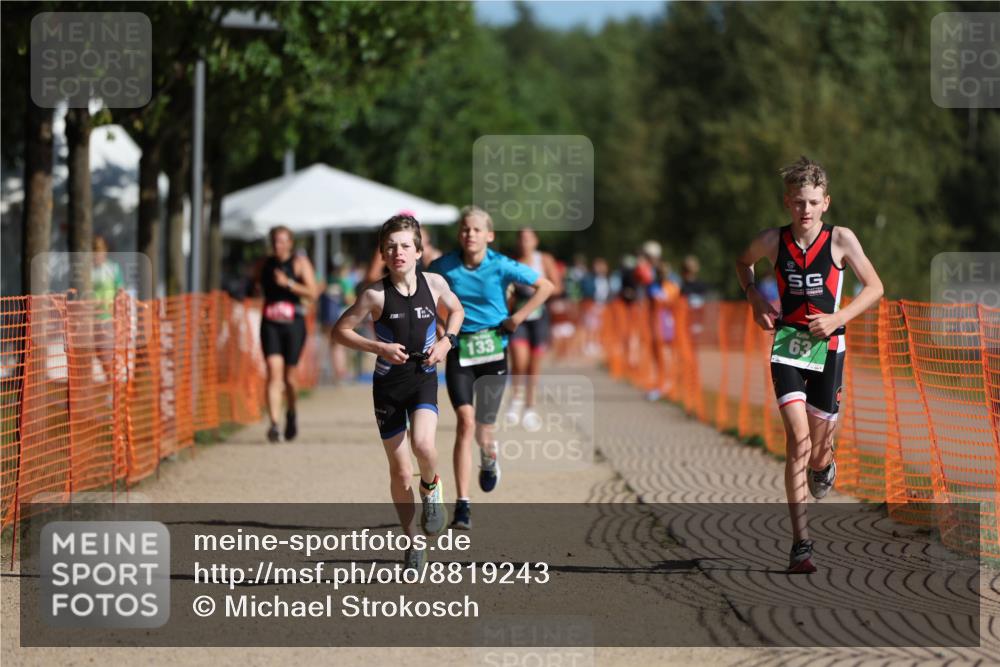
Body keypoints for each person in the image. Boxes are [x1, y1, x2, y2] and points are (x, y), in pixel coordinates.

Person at [735, 156, 883, 573]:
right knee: (797, 440)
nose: (805, 210)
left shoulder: (841, 240)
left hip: (829, 349)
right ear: (788, 202)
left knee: (818, 450)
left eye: (813, 202)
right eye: (798, 202)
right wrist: (754, 297)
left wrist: (838, 318)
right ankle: (801, 544)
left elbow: (876, 287)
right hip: (787, 345)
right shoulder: (771, 241)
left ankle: (824, 464)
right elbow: (741, 262)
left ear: (826, 204)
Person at [333, 215, 464, 570]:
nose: (398, 252)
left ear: (419, 251)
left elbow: (457, 310)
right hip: (388, 385)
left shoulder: (434, 283)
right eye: (390, 247)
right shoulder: (374, 295)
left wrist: (447, 342)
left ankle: (432, 486)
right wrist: (379, 349)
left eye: (405, 245)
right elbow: (340, 331)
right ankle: (413, 542)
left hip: (422, 377)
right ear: (382, 253)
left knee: (424, 446)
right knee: (400, 471)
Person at [427, 206, 554, 530]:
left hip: (493, 350)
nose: (470, 234)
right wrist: (443, 331)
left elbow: (546, 287)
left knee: (484, 429)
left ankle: (489, 457)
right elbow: (425, 297)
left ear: (489, 235)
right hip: (460, 349)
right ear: (460, 234)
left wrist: (517, 318)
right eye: (465, 229)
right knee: (465, 423)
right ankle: (463, 505)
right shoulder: (443, 266)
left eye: (476, 230)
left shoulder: (500, 265)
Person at [254, 226, 318, 443]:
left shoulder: (300, 263)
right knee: (273, 371)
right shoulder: (264, 264)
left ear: (290, 243)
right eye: (274, 242)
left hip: (293, 324)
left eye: (282, 241)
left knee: (289, 378)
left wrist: (289, 284)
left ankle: (291, 412)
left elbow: (313, 291)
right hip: (270, 322)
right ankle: (273, 424)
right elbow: (253, 285)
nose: (278, 246)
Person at [506, 227, 563, 429]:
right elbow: (506, 290)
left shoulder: (544, 259)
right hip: (519, 318)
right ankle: (516, 400)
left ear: (535, 241)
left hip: (540, 318)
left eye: (528, 238)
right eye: (521, 238)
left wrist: (539, 288)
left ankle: (530, 407)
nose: (524, 242)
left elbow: (558, 287)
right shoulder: (512, 262)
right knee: (519, 362)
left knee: (533, 366)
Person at [91, 235, 124, 382]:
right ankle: (109, 384)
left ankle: (112, 385)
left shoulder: (112, 268)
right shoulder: (88, 271)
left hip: (108, 318)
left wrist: (118, 311)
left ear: (105, 251)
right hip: (91, 319)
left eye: (99, 251)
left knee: (106, 354)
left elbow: (120, 290)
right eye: (94, 251)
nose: (97, 255)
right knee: (97, 354)